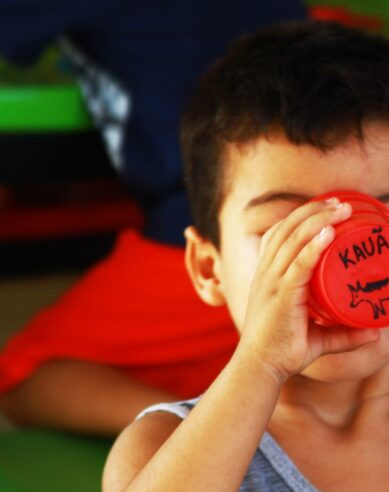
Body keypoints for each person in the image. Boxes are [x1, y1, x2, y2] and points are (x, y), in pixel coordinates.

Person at [82, 20, 389, 492]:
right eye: (287, 230)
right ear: (208, 269)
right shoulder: (167, 445)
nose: (334, 258)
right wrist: (261, 359)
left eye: (388, 225)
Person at [0, 0, 307, 436]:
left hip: (207, 225)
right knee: (194, 368)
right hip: (310, 213)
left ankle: (233, 431)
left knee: (24, 374)